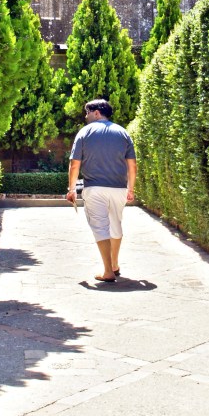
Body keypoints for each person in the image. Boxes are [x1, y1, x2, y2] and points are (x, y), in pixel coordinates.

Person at [66, 98, 137, 282]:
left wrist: (72, 189)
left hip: (94, 187)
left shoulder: (85, 133)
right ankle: (114, 264)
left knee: (100, 226)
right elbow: (132, 164)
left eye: (87, 112)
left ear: (97, 112)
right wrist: (131, 188)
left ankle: (108, 271)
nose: (85, 116)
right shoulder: (123, 133)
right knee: (116, 224)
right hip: (119, 188)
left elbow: (74, 165)